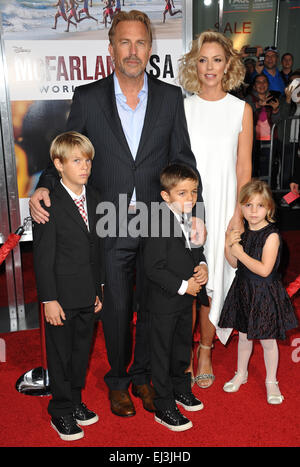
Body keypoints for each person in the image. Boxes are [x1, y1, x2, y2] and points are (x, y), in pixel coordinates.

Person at [29, 10, 202, 418]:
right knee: (119, 308)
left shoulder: (169, 96)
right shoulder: (89, 97)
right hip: (109, 220)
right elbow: (68, 149)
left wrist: (197, 212)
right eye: (124, 42)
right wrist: (42, 184)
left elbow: (183, 160)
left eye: (140, 43)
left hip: (160, 223)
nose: (133, 51)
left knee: (157, 303)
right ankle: (119, 382)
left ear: (150, 49)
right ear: (111, 49)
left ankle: (145, 375)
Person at [178, 30, 252, 388]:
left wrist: (237, 217)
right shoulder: (182, 107)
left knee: (214, 282)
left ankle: (205, 349)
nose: (210, 67)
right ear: (195, 64)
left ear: (228, 65)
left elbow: (244, 169)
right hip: (186, 207)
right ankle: (183, 352)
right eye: (203, 60)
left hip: (224, 206)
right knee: (188, 279)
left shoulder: (241, 110)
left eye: (217, 59)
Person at [33, 131, 104, 441]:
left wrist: (98, 290)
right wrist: (49, 299)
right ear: (58, 165)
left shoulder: (96, 197)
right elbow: (43, 257)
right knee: (60, 355)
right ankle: (60, 411)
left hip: (88, 293)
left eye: (87, 160)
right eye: (76, 161)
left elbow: (98, 250)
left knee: (80, 353)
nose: (84, 166)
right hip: (60, 296)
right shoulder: (47, 203)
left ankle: (75, 402)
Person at [218, 180, 298, 404]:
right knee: (243, 336)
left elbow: (264, 270)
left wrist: (239, 252)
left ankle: (271, 381)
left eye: (260, 206)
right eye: (248, 205)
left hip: (264, 293)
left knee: (267, 340)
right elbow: (234, 264)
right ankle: (241, 373)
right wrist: (228, 246)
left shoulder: (272, 236)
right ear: (241, 208)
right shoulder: (242, 233)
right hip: (243, 290)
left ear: (269, 209)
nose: (253, 211)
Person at [144, 164, 208, 432]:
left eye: (193, 192)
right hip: (164, 301)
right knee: (161, 352)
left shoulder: (189, 218)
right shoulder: (157, 222)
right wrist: (185, 286)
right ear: (166, 196)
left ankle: (181, 389)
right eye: (182, 193)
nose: (190, 198)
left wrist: (203, 266)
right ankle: (163, 404)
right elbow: (153, 268)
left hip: (184, 300)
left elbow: (196, 251)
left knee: (182, 346)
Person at [245, 73, 281, 178]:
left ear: (268, 84)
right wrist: (257, 105)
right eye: (258, 82)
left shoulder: (274, 99)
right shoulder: (249, 99)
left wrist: (275, 110)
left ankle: (267, 193)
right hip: (253, 140)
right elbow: (244, 116)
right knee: (253, 170)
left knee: (269, 171)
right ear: (254, 86)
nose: (262, 84)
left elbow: (277, 121)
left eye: (264, 81)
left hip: (271, 139)